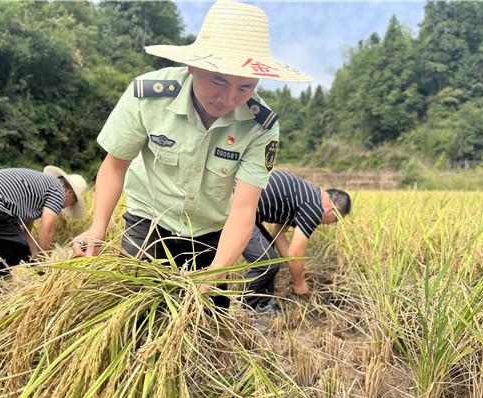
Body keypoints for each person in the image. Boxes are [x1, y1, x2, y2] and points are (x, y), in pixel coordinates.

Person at [72, 0, 311, 305]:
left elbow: (243, 209)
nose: (227, 98)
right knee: (138, 311)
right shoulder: (148, 96)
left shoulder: (261, 125)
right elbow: (115, 165)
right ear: (194, 65)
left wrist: (217, 270)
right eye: (218, 80)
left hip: (212, 232)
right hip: (148, 224)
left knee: (208, 317)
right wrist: (98, 226)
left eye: (245, 87)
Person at [0, 166, 87, 284]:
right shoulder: (58, 190)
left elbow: (24, 232)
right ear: (69, 193)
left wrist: (34, 257)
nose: (64, 208)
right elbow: (47, 231)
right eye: (71, 204)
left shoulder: (36, 191)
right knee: (20, 262)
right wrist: (42, 266)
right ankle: (13, 300)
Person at [242, 171, 351, 313]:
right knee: (268, 263)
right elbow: (295, 254)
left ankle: (263, 304)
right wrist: (299, 283)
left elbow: (278, 235)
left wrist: (295, 269)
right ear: (332, 210)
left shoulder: (307, 195)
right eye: (335, 221)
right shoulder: (315, 208)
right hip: (237, 207)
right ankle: (246, 309)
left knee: (270, 256)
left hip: (244, 207)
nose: (330, 224)